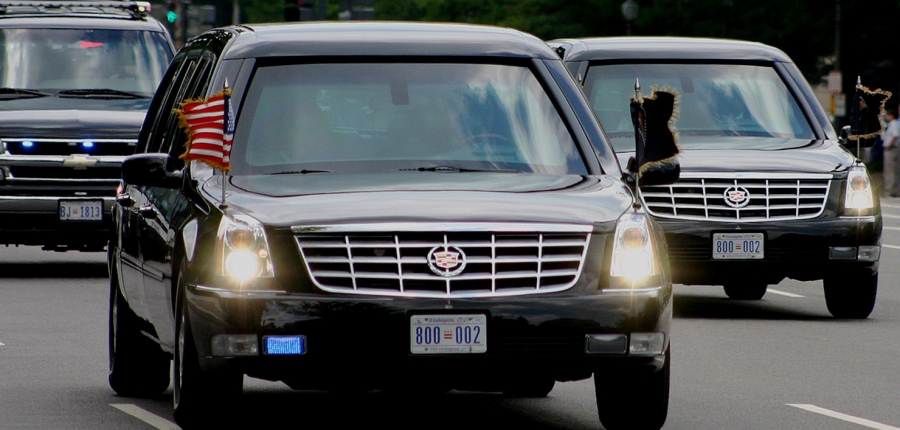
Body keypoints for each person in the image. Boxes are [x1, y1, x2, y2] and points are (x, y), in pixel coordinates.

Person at [882, 109, 900, 197]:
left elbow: (895, 135)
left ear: (890, 115)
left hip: (891, 149)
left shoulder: (893, 124)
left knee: (889, 170)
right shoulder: (895, 124)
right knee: (895, 170)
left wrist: (889, 145)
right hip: (895, 148)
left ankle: (889, 190)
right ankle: (896, 190)